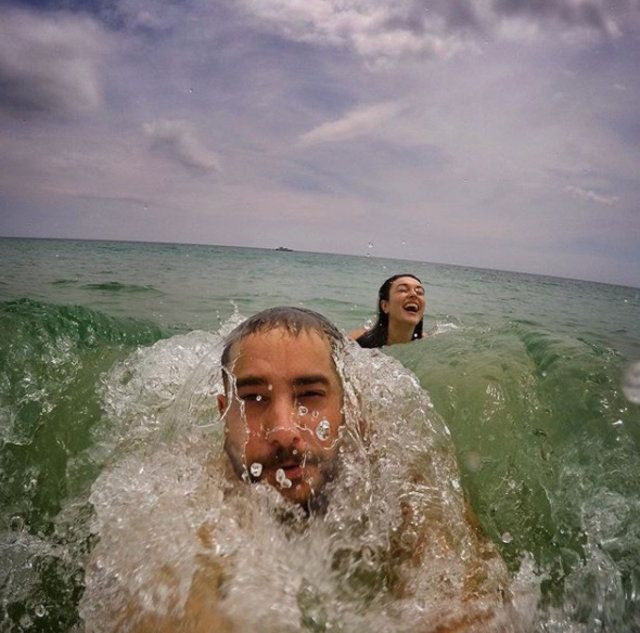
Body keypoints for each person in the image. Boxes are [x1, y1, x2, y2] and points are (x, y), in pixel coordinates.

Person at [83, 307, 524, 632]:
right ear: (224, 413)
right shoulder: (187, 489)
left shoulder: (393, 470)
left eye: (309, 395)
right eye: (253, 398)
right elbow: (165, 595)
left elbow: (464, 596)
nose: (284, 430)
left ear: (347, 407)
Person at [350, 274, 425, 348]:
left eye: (420, 292)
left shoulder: (428, 344)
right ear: (385, 306)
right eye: (403, 290)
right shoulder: (356, 340)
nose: (414, 294)